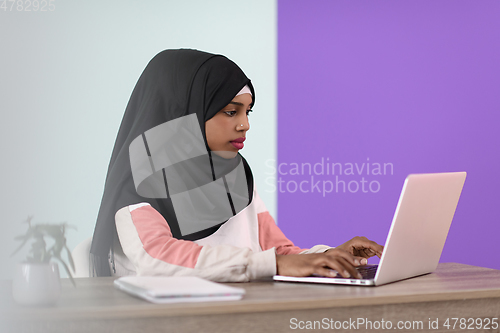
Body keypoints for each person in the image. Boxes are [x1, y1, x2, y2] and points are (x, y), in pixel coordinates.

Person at [90, 49, 383, 281]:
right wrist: (271, 265)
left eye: (247, 111)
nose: (244, 125)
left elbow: (275, 251)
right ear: (185, 112)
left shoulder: (235, 175)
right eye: (231, 112)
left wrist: (331, 256)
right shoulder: (139, 185)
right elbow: (155, 257)